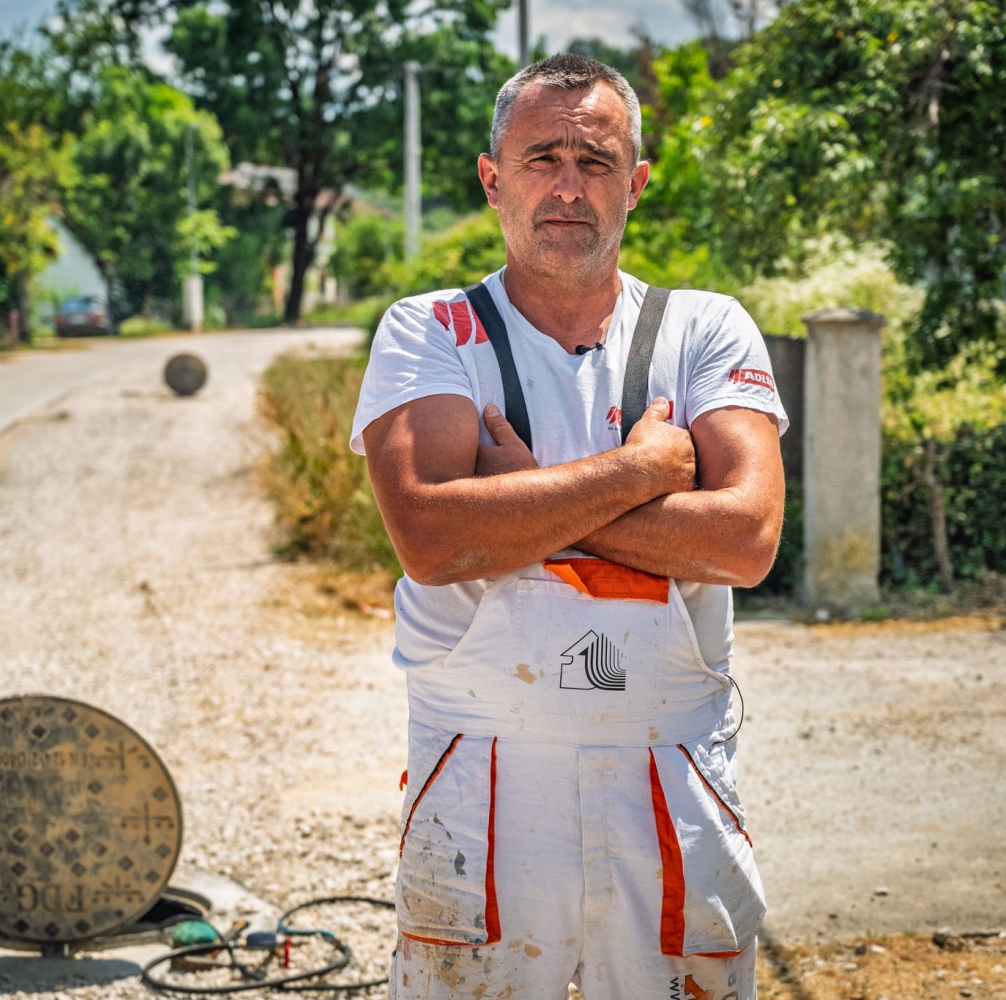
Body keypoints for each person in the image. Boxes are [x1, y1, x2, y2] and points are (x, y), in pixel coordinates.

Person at [350, 54, 787, 1000]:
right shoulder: (431, 330)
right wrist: (640, 473)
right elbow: (432, 540)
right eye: (541, 157)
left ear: (636, 183)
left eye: (595, 161)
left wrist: (519, 499)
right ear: (492, 178)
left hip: (672, 768)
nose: (567, 185)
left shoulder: (704, 329)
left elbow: (746, 540)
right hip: (483, 772)